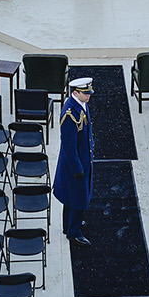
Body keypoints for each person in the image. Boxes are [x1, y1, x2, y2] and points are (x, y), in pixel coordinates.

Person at [53, 77, 95, 245]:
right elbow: (69, 146)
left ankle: (68, 225)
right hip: (75, 164)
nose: (89, 96)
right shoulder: (70, 113)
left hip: (83, 157)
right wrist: (77, 168)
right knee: (79, 198)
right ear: (76, 93)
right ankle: (73, 231)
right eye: (86, 93)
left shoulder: (81, 105)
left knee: (72, 196)